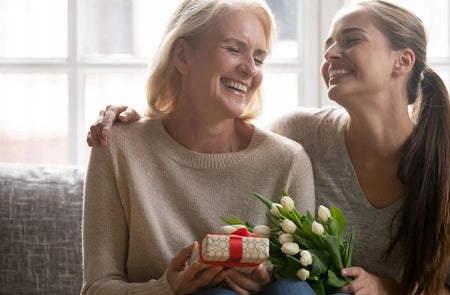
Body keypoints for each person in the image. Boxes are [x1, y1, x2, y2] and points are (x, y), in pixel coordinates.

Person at [87, 1, 450, 294]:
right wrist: (133, 120)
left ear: (402, 61)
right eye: (234, 48)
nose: (330, 53)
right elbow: (208, 127)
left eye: (351, 40)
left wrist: (389, 289)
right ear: (182, 54)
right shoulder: (302, 135)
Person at [81, 0, 317, 294]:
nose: (249, 69)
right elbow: (97, 287)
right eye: (234, 49)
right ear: (182, 56)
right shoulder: (117, 146)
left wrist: (266, 281)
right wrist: (167, 289)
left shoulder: (287, 161)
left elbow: (304, 276)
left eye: (258, 58)